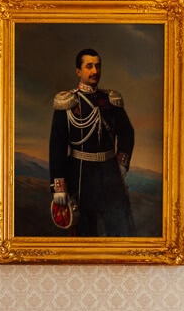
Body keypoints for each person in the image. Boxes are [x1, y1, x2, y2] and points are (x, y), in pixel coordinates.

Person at [49, 48, 136, 236]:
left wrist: (121, 165)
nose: (95, 71)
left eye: (97, 66)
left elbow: (127, 134)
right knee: (84, 232)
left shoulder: (111, 100)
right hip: (80, 173)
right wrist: (58, 188)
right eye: (89, 66)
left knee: (121, 228)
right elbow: (57, 148)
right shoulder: (67, 102)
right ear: (78, 71)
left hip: (110, 172)